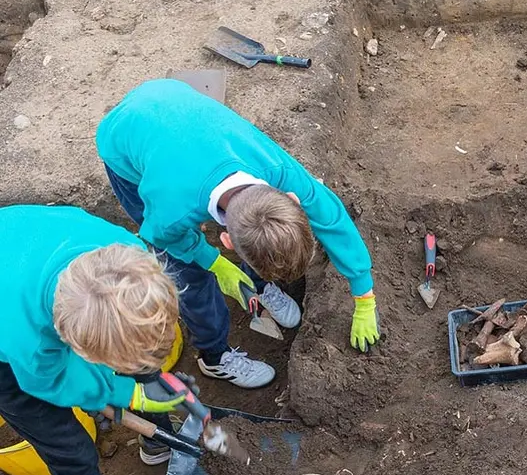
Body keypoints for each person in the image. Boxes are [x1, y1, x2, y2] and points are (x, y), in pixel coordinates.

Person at [96, 79, 381, 389]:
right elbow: (163, 237)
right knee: (189, 274)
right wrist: (213, 262)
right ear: (226, 242)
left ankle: (261, 284)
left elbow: (332, 218)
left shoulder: (277, 169)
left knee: (258, 239)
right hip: (123, 141)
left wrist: (364, 296)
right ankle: (214, 357)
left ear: (291, 199)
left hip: (174, 97)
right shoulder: (170, 213)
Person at [0, 205, 188, 475]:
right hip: (10, 338)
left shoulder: (130, 259)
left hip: (25, 244)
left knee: (140, 359)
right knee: (69, 448)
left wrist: (137, 380)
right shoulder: (31, 342)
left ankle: (158, 441)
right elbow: (49, 381)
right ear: (78, 348)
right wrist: (127, 394)